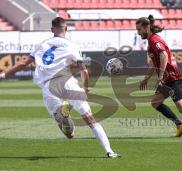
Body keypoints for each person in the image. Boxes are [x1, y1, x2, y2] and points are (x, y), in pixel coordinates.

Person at [0, 17, 120, 158]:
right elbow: (84, 70)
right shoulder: (71, 46)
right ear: (66, 29)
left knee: (68, 131)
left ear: (52, 30)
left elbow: (22, 64)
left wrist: (3, 74)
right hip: (68, 83)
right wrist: (86, 88)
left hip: (49, 88)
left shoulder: (41, 45)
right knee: (89, 119)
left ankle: (62, 113)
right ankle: (109, 151)